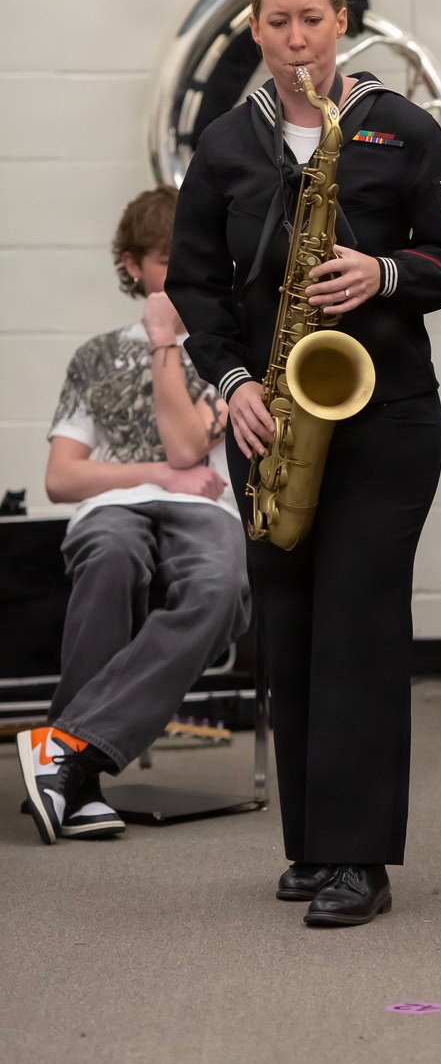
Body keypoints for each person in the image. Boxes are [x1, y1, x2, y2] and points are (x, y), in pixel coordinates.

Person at [166, 0, 441, 927]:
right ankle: (311, 844)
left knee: (358, 627)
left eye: (312, 19)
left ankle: (359, 860)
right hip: (268, 418)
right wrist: (231, 384)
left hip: (386, 417)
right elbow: (193, 282)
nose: (296, 39)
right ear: (255, 30)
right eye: (278, 22)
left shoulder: (402, 128)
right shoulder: (227, 143)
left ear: (342, 20)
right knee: (293, 630)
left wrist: (383, 274)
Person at [17, 187, 250, 844]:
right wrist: (156, 475)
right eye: (168, 260)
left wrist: (166, 342)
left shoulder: (228, 350)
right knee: (112, 558)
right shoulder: (94, 357)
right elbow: (63, 478)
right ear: (132, 266)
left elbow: (186, 444)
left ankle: (66, 751)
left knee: (220, 586)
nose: (185, 273)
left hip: (204, 507)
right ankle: (80, 778)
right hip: (114, 507)